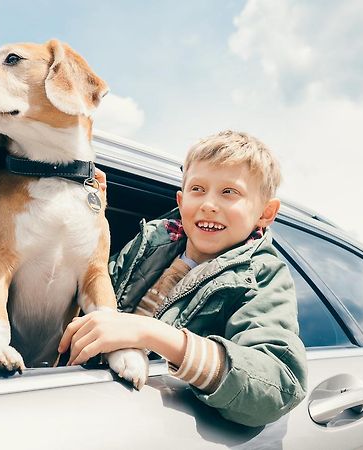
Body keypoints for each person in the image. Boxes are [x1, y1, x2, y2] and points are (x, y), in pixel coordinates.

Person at [58, 130, 307, 427]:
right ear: (181, 197)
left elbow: (278, 385)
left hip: (148, 421)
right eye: (198, 189)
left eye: (229, 192)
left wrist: (153, 335)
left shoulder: (263, 275)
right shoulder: (150, 242)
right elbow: (86, 291)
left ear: (266, 213)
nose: (208, 204)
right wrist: (88, 223)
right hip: (82, 395)